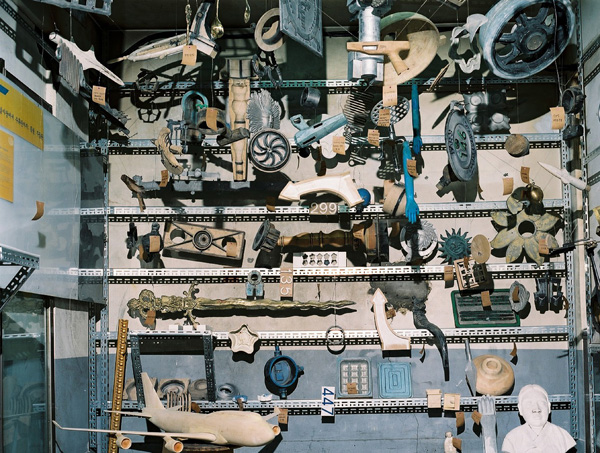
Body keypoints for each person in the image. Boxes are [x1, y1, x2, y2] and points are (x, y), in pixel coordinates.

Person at [502, 384, 575, 453]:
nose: (536, 409)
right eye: (529, 404)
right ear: (520, 409)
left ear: (549, 407)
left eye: (541, 403)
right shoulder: (512, 438)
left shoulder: (562, 436)